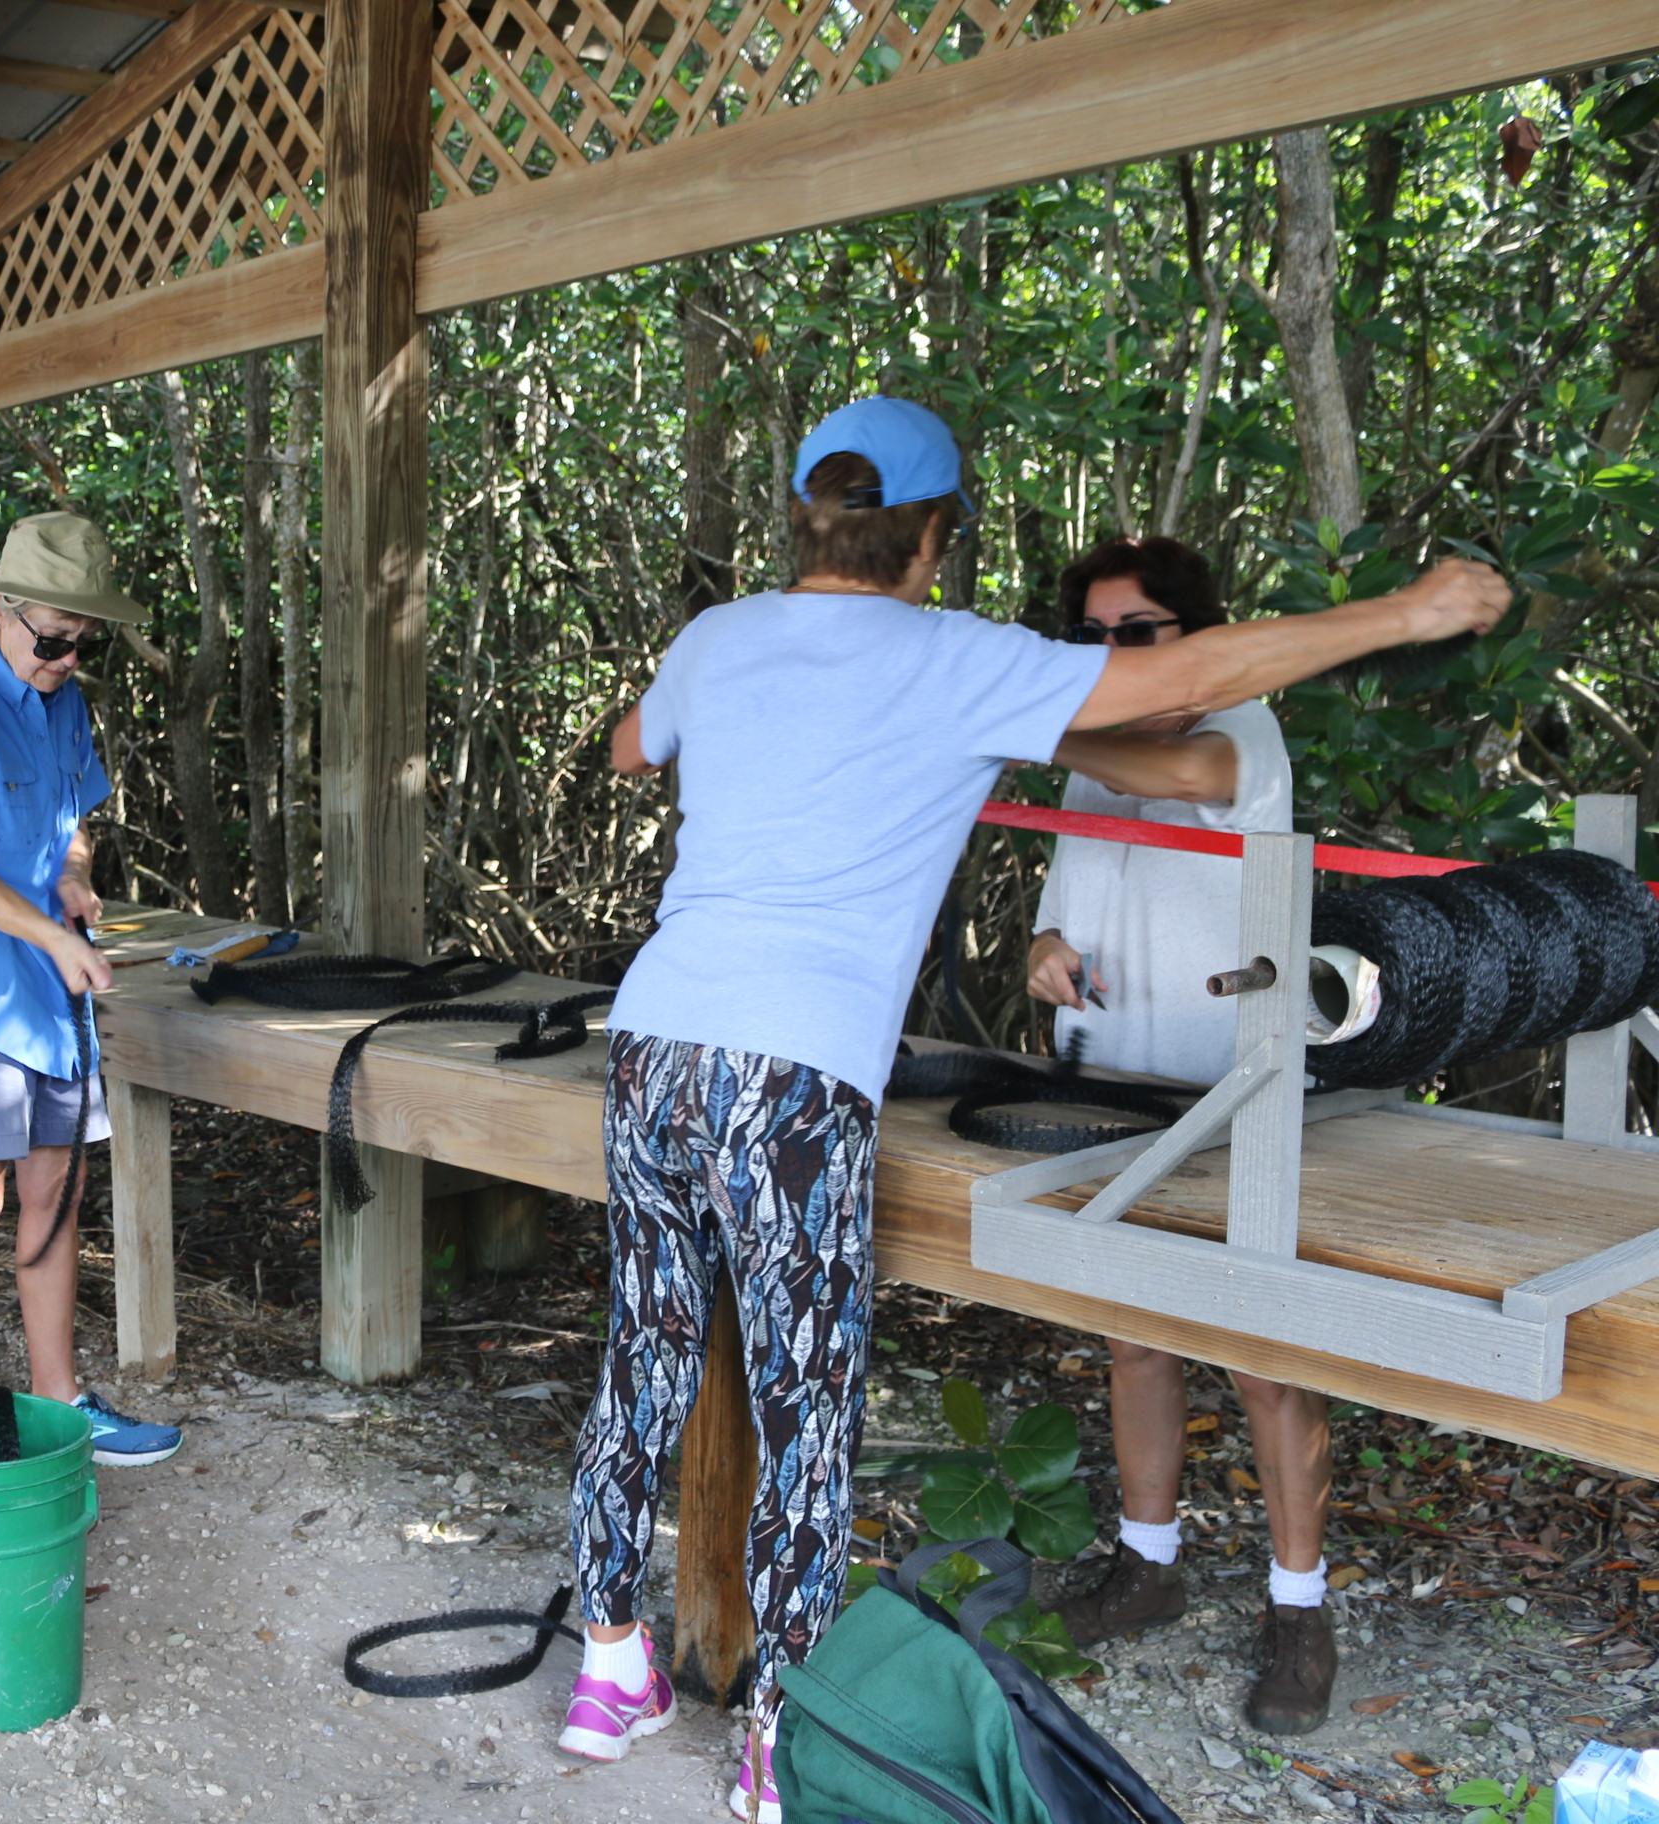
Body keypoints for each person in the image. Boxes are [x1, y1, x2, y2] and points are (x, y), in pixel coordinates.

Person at [565, 395, 1506, 1822]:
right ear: (932, 539)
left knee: (645, 1346)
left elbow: (634, 747)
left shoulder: (722, 635)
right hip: (791, 1068)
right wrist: (1411, 611)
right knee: (804, 1395)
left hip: (655, 1041)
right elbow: (1203, 671)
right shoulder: (954, 658)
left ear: (807, 520)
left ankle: (608, 1671)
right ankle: (777, 1734)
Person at [1027, 536, 1340, 1734]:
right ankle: (1148, 1564)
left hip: (1237, 1085)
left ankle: (1300, 1610)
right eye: (1093, 639)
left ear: (1196, 636)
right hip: (1114, 1080)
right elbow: (1056, 921)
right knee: (1134, 1337)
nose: (1115, 655)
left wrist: (1027, 720)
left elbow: (1184, 776)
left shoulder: (1241, 726)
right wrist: (1043, 955)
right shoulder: (1094, 757)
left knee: (1265, 1358)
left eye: (1138, 634)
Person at [0, 512, 182, 1469]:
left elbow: (70, 822)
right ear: (2, 608)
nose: (66, 659)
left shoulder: (64, 699)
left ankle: (63, 1404)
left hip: (50, 992)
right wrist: (53, 934)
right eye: (52, 640)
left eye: (83, 642)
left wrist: (73, 877)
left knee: (55, 1196)